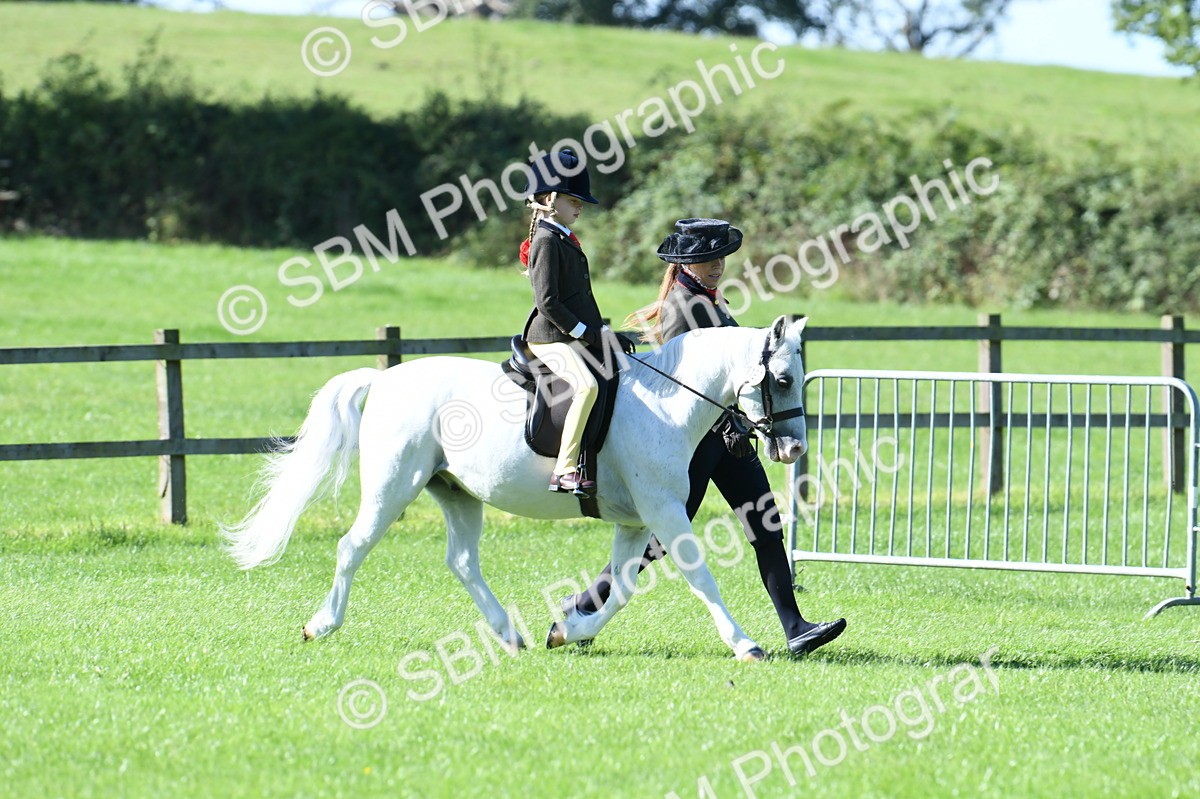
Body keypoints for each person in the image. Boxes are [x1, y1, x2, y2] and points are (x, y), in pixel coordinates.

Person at [562, 218, 847, 656]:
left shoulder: (712, 301)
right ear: (686, 263)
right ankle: (585, 607)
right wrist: (731, 423)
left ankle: (795, 628)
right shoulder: (682, 307)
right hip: (695, 444)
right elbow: (684, 385)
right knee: (659, 538)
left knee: (765, 523)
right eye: (707, 259)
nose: (717, 265)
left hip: (729, 440)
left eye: (720, 257)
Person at [520, 149, 632, 497]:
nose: (579, 207)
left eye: (580, 201)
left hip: (571, 335)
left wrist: (605, 336)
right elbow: (548, 302)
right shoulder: (546, 240)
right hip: (549, 338)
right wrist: (588, 335)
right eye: (572, 200)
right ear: (549, 199)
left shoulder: (563, 237)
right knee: (587, 386)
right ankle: (565, 470)